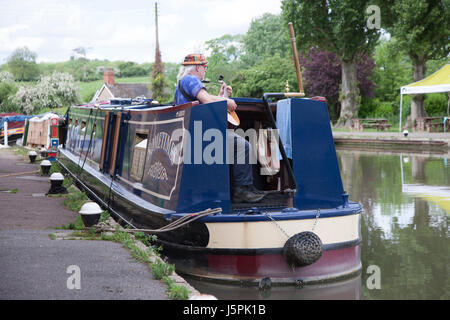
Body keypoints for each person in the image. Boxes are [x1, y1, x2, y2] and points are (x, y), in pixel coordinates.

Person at [175, 53, 265, 203]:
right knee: (243, 146)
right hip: (201, 135)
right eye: (205, 67)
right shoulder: (190, 79)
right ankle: (242, 190)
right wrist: (226, 100)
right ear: (197, 67)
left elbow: (206, 103)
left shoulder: (182, 83)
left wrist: (222, 95)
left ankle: (246, 187)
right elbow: (207, 100)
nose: (205, 70)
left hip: (193, 133)